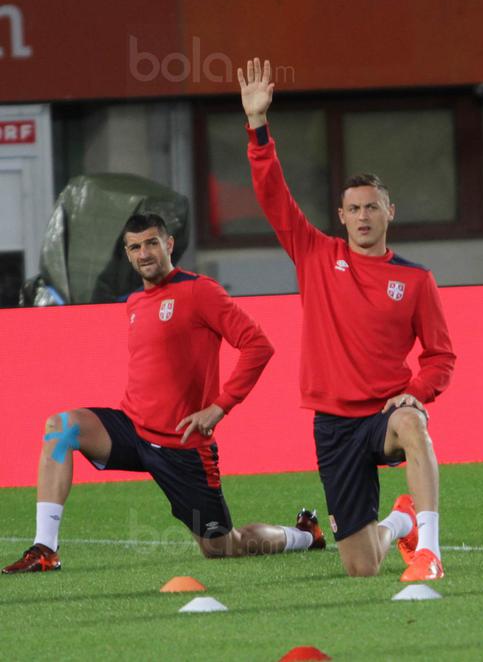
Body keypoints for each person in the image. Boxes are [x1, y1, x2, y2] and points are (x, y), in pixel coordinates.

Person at [3, 213, 323, 575]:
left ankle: (304, 535)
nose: (144, 253)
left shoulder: (200, 291)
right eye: (135, 247)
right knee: (61, 427)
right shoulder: (135, 303)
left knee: (223, 547)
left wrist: (220, 406)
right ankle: (45, 549)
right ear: (127, 254)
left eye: (151, 243)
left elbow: (258, 345)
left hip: (181, 446)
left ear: (169, 245)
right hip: (133, 431)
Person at [239, 58, 456, 580]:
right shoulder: (316, 255)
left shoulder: (416, 280)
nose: (363, 216)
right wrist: (257, 125)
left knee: (413, 423)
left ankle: (430, 551)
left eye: (372, 207)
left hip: (384, 414)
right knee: (362, 567)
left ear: (389, 212)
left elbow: (441, 357)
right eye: (354, 209)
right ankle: (401, 523)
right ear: (341, 217)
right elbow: (273, 198)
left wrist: (416, 393)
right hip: (333, 425)